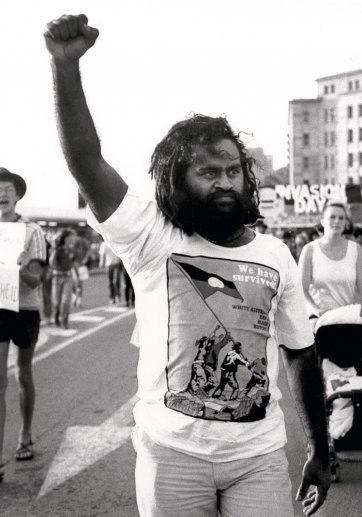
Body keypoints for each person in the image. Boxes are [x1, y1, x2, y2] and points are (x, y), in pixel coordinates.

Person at [44, 14, 330, 516]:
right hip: (170, 456)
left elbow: (300, 355)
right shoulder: (151, 236)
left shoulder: (275, 254)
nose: (224, 182)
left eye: (232, 170)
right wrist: (64, 69)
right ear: (178, 179)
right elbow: (87, 164)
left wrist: (319, 451)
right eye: (207, 171)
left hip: (258, 459)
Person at [0, 168, 46, 481]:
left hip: (25, 308)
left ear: (17, 195)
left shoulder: (32, 231)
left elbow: (35, 280)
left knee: (23, 375)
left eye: (7, 189)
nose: (1, 194)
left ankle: (25, 433)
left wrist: (16, 265)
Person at [298, 202, 362, 329]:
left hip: (347, 319)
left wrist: (355, 311)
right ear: (322, 220)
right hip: (318, 321)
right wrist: (315, 310)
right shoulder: (310, 249)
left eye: (341, 218)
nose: (337, 221)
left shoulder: (356, 249)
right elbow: (300, 289)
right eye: (332, 217)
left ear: (346, 223)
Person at [49, 228, 78, 328]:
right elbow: (52, 262)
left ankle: (64, 321)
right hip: (57, 277)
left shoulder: (71, 249)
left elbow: (73, 263)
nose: (72, 240)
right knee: (56, 301)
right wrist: (55, 248)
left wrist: (76, 275)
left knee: (66, 300)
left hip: (68, 276)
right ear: (64, 238)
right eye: (70, 238)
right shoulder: (57, 249)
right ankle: (56, 315)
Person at [99, 240, 123, 304]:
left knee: (116, 281)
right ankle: (112, 297)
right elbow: (102, 254)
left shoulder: (115, 241)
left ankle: (117, 296)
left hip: (116, 264)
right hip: (108, 265)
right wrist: (101, 262)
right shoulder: (104, 244)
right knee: (109, 282)